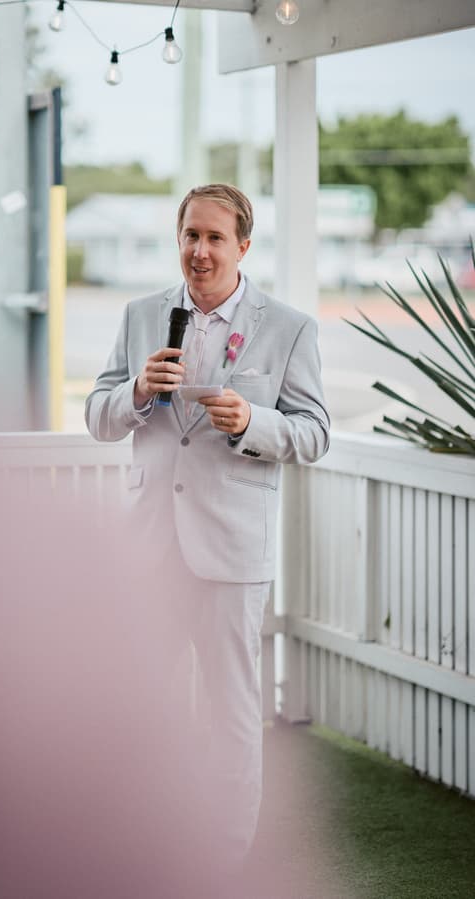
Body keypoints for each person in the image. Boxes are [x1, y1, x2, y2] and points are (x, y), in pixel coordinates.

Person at [85, 183, 330, 875]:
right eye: (191, 235)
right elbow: (98, 416)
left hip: (230, 549)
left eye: (215, 237)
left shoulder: (289, 328)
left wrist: (251, 422)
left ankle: (224, 860)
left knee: (230, 712)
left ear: (243, 245)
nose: (200, 250)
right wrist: (135, 392)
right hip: (149, 546)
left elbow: (314, 435)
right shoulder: (141, 315)